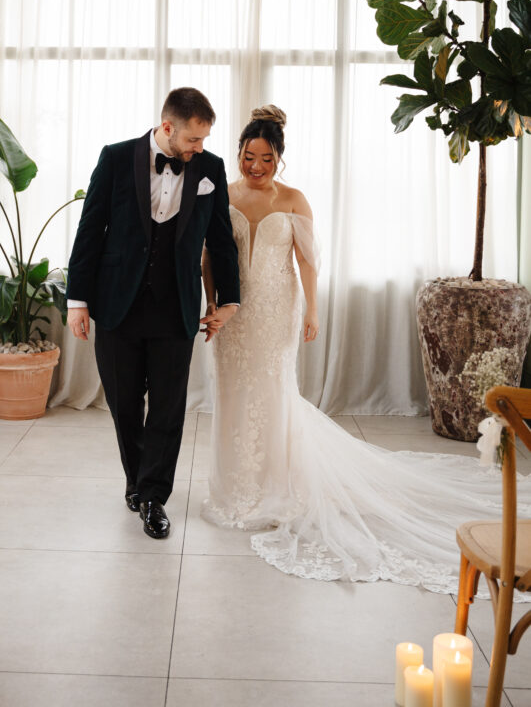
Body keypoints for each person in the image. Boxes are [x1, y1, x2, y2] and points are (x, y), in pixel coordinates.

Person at [201, 105, 531, 594]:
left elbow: (307, 264)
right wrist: (213, 304)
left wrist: (312, 311)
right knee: (234, 392)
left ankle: (273, 487)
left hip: (276, 311)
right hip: (233, 313)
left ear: (280, 158)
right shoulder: (222, 196)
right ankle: (236, 486)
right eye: (248, 157)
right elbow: (210, 256)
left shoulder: (294, 200)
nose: (255, 167)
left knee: (271, 391)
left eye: (265, 159)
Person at [66, 87, 239, 540]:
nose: (199, 149)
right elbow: (89, 229)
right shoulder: (117, 158)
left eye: (203, 140)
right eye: (193, 140)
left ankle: (153, 496)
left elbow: (220, 239)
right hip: (118, 303)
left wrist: (230, 300)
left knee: (167, 407)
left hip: (176, 306)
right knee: (124, 404)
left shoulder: (211, 169)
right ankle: (137, 479)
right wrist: (77, 301)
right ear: (167, 127)